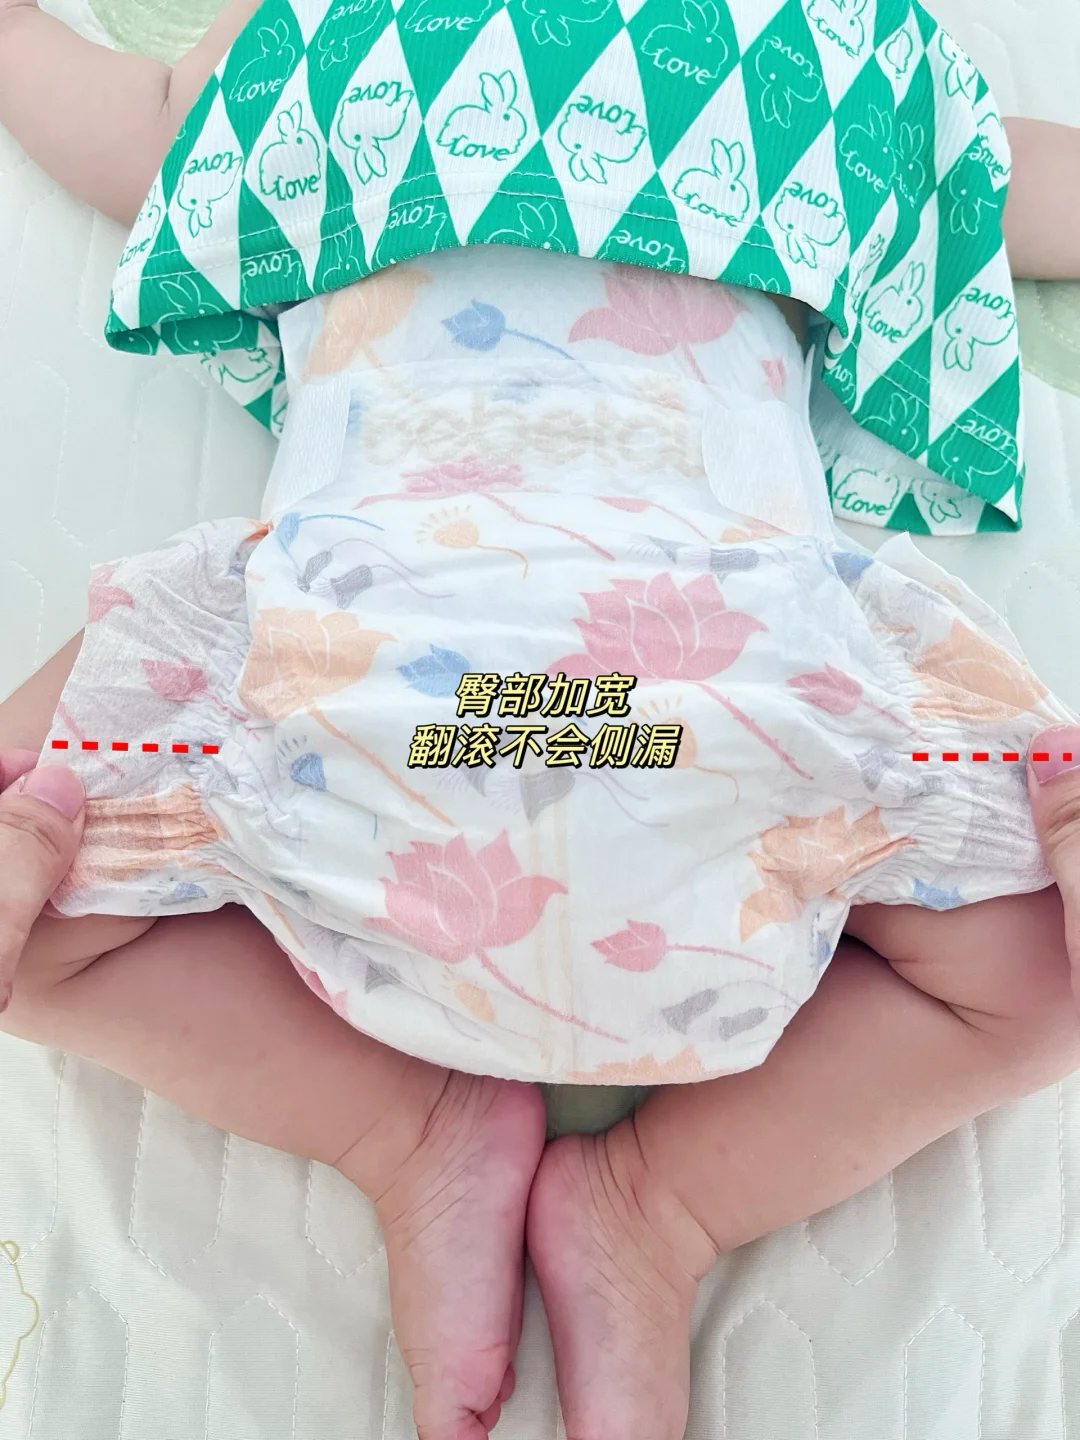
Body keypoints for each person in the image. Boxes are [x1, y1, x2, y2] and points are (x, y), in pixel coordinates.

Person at [2, 1, 1080, 1435]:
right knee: (22, 876)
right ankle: (417, 1126)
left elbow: (992, 174)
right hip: (534, 672)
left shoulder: (815, 47)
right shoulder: (328, 39)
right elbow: (141, 124)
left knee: (1051, 958)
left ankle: (653, 1198)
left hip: (575, 682)